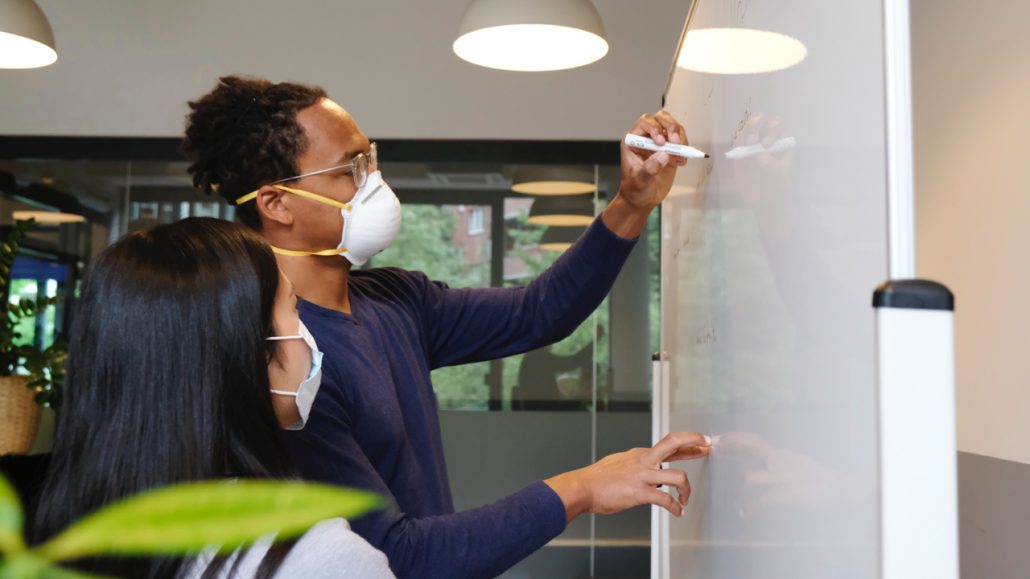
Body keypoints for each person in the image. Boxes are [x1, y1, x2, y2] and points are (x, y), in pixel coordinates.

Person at [183, 75, 710, 578]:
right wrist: (583, 488)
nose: (373, 183)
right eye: (349, 170)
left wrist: (633, 202)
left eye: (370, 159)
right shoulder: (287, 367)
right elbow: (397, 559)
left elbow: (539, 312)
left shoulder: (393, 300)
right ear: (277, 203)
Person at [30, 218, 393, 578]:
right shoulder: (319, 560)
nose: (307, 335)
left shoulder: (49, 538)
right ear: (246, 351)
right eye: (294, 309)